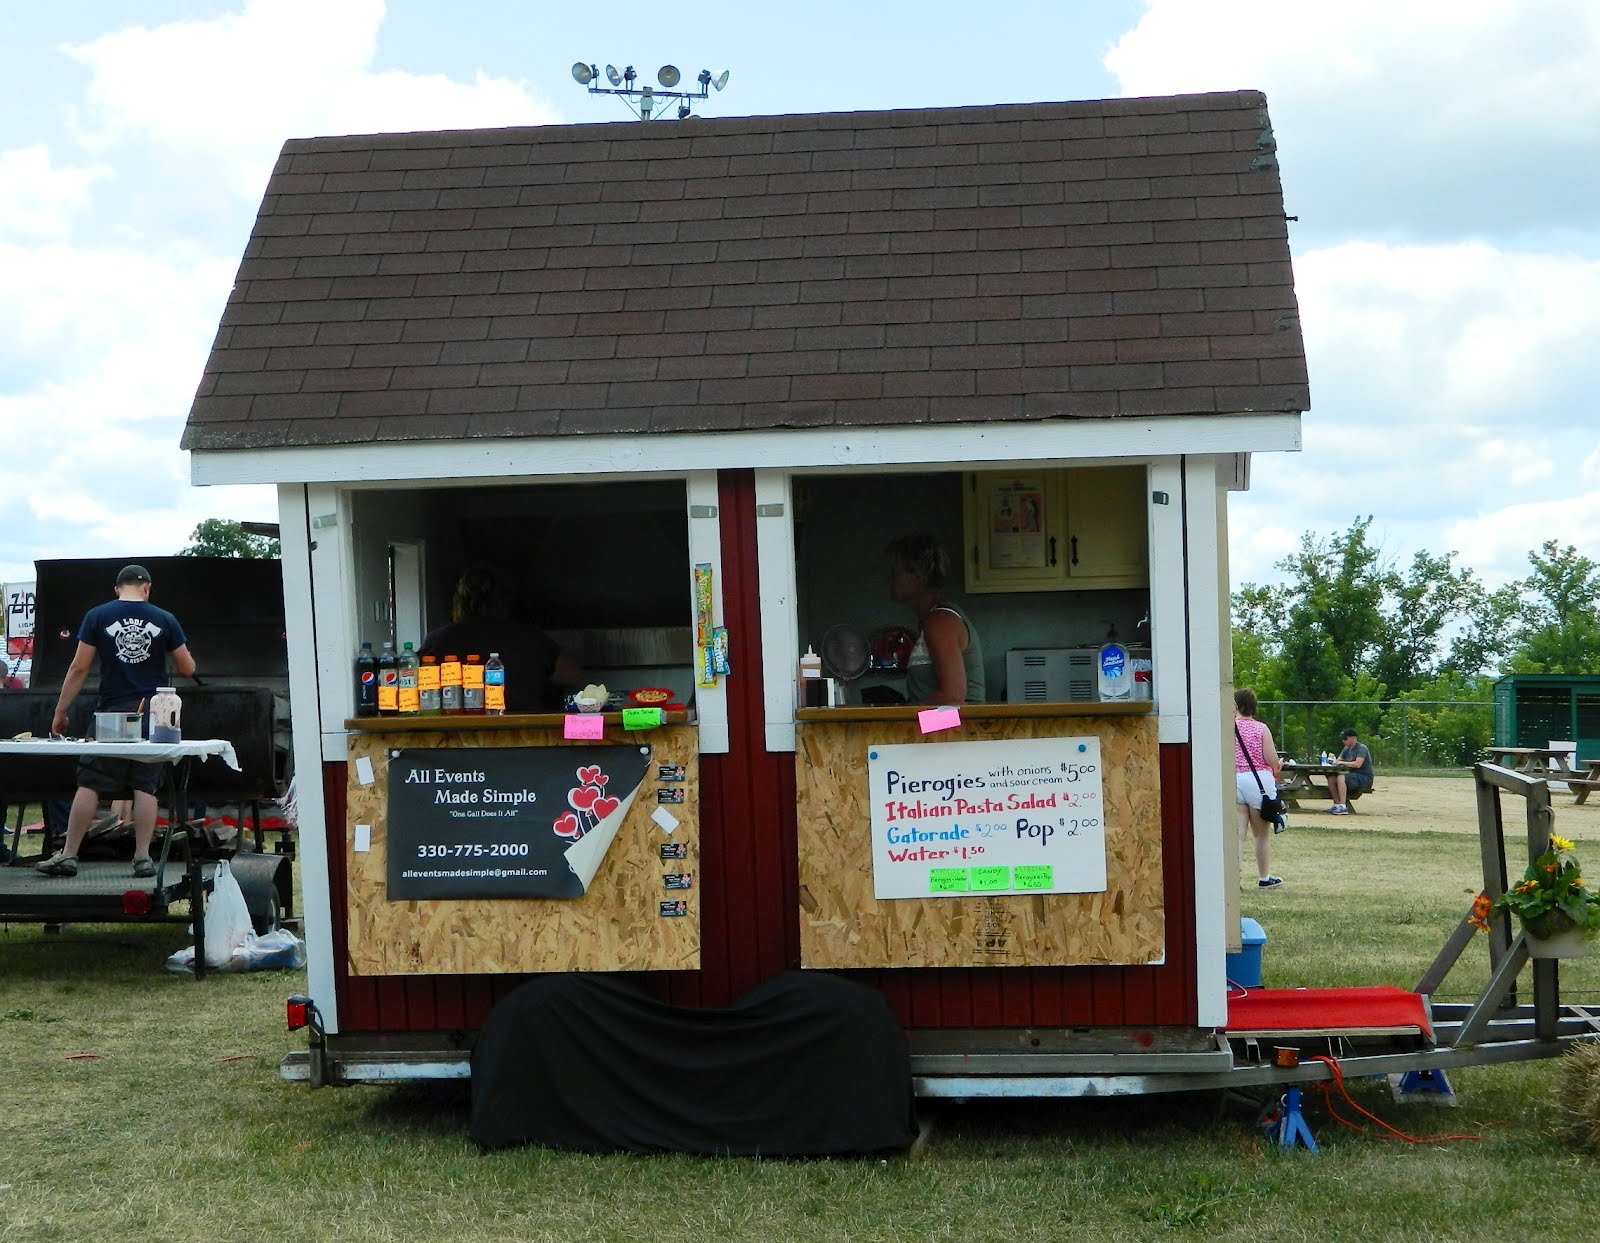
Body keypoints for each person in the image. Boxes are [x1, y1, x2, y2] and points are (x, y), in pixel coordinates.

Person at [37, 564, 196, 878]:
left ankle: (68, 855)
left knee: (90, 781)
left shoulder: (98, 615)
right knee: (145, 784)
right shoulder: (165, 619)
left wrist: (60, 711)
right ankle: (142, 858)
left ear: (117, 589)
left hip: (111, 711)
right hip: (154, 713)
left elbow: (79, 668)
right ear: (147, 587)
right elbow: (188, 668)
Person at [418, 565, 580, 713]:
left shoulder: (438, 640)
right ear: (505, 601)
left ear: (459, 602)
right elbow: (572, 675)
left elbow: (410, 685)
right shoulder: (528, 637)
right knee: (590, 729)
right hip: (526, 732)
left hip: (453, 735)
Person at [885, 533, 985, 704]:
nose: (891, 579)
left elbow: (953, 700)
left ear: (917, 575)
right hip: (943, 729)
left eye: (896, 572)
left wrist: (911, 726)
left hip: (958, 728)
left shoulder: (940, 621)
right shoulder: (932, 620)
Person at [1233, 688, 1284, 889]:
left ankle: (1233, 879)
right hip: (1258, 781)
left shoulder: (1229, 727)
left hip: (1234, 779)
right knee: (1261, 834)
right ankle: (1264, 877)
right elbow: (1272, 760)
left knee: (1237, 834)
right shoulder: (1261, 728)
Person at [1325, 727, 1375, 815]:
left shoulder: (1361, 748)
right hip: (1353, 776)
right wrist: (1333, 762)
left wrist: (1341, 762)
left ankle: (1343, 807)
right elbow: (1338, 761)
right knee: (1331, 778)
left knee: (1341, 777)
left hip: (1364, 777)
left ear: (1353, 738)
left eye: (1345, 738)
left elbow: (1357, 764)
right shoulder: (1347, 748)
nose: (1343, 741)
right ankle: (1337, 805)